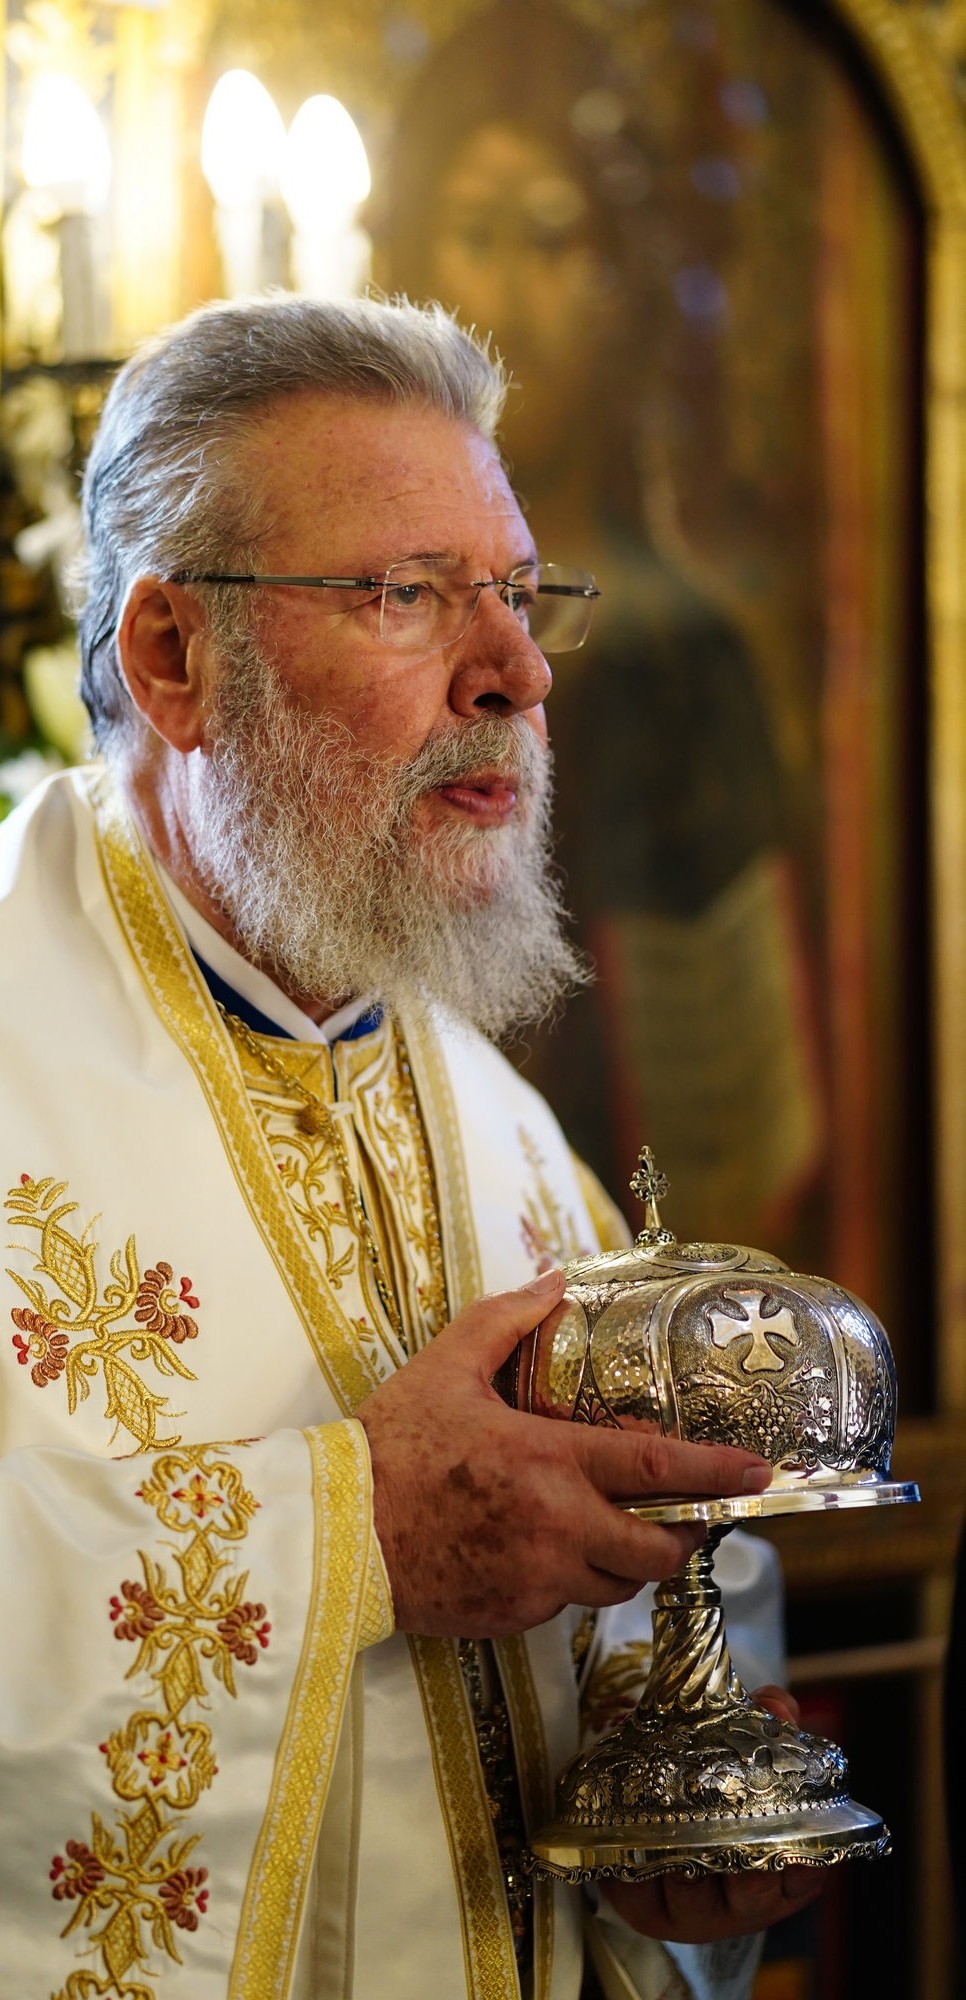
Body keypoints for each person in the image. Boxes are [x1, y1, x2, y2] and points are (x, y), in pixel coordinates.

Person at [0, 296, 816, 2000]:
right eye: (407, 594)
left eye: (518, 594)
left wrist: (665, 1857)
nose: (508, 672)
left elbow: (665, 1633)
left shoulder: (498, 1126)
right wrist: (344, 1533)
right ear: (170, 661)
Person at [384, 0, 824, 1245]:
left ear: (622, 285)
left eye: (555, 237)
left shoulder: (687, 656)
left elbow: (731, 1107)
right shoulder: (350, 632)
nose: (512, 290)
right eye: (474, 234)